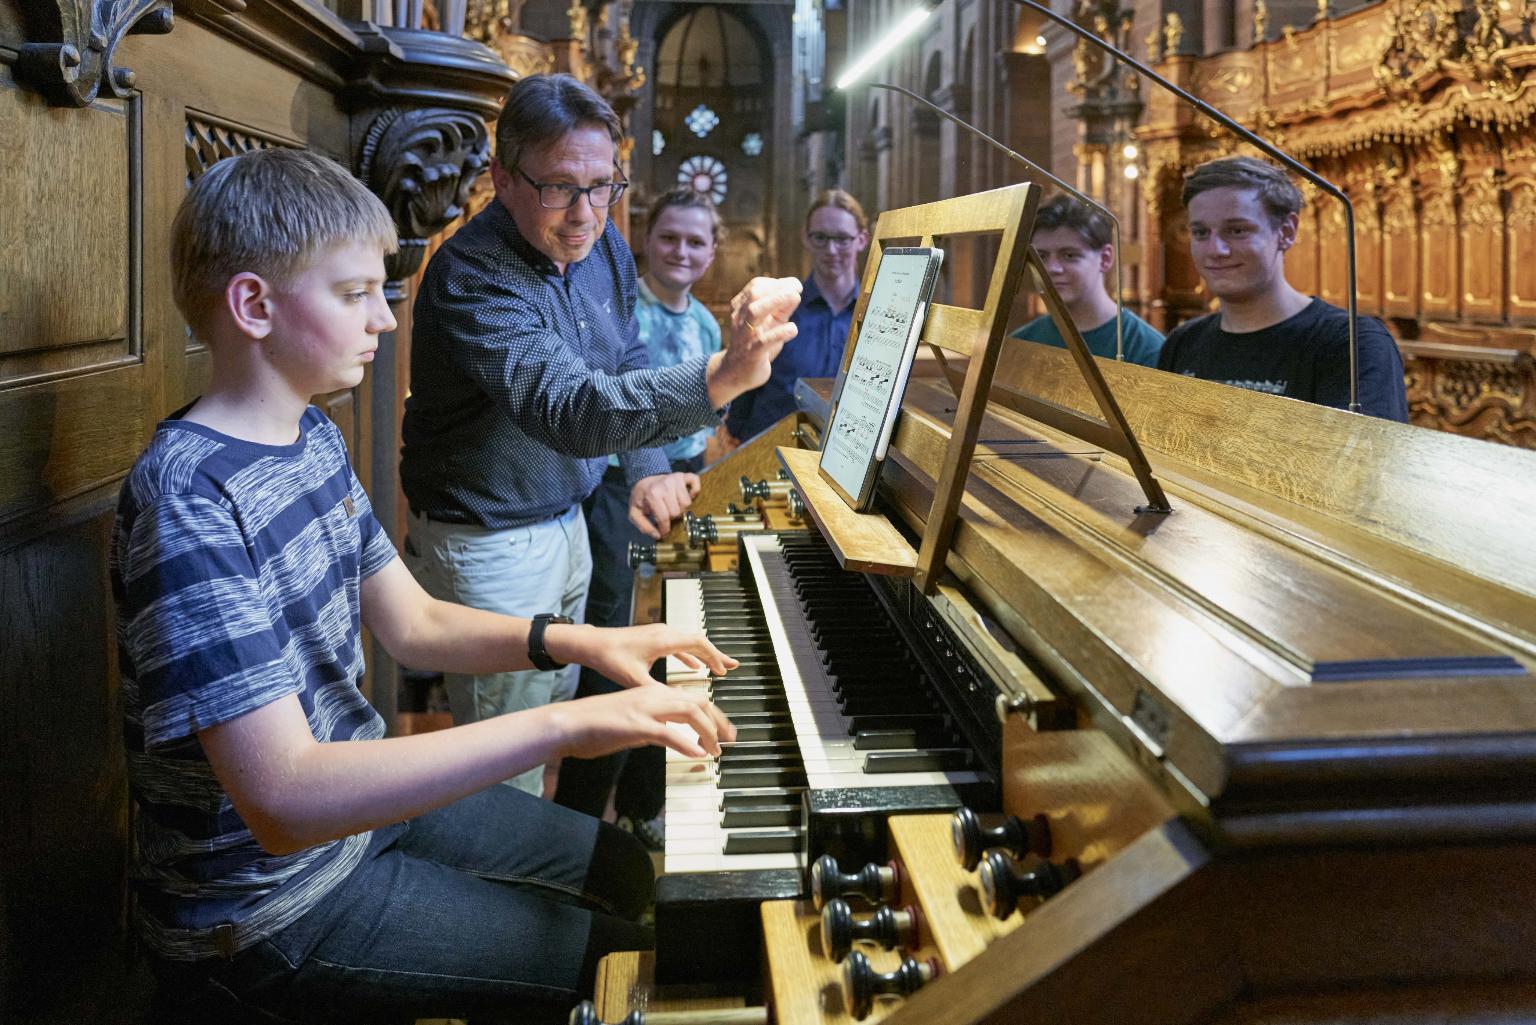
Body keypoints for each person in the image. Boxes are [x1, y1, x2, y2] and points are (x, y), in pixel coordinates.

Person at [114, 147, 745, 1024]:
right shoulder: (188, 497)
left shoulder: (311, 435)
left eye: (383, 289)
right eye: (354, 294)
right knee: (625, 962)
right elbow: (285, 799)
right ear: (253, 304)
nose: (384, 317)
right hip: (265, 908)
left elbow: (406, 619)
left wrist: (581, 642)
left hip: (359, 824)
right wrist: (566, 718)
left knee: (631, 873)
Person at [399, 74, 800, 794]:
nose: (584, 213)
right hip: (490, 541)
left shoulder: (605, 247)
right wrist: (721, 376)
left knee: (550, 717)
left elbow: (621, 358)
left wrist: (646, 467)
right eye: (558, 187)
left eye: (601, 186)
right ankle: (506, 898)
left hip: (570, 519)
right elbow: (573, 408)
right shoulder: (470, 275)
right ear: (501, 178)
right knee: (507, 764)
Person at [554, 188, 725, 844]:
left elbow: (710, 418)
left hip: (684, 492)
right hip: (618, 495)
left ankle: (643, 806)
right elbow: (611, 400)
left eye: (696, 241)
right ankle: (578, 817)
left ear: (712, 251)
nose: (681, 251)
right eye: (670, 238)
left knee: (672, 647)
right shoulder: (625, 313)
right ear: (647, 242)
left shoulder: (706, 326)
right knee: (616, 651)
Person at [1156, 156, 1408, 420]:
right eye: (1201, 233)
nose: (1215, 250)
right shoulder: (1183, 343)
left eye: (1237, 230)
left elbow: (1358, 457)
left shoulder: (1352, 343)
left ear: (1286, 232)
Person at [725, 188, 870, 442]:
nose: (832, 250)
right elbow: (746, 386)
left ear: (862, 240)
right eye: (820, 237)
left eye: (843, 239)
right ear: (806, 238)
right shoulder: (781, 306)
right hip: (770, 449)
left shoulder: (874, 316)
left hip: (841, 452)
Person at [1009, 194, 1163, 366]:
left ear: (1105, 259)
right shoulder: (1019, 343)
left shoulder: (1148, 349)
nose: (1052, 268)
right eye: (1042, 256)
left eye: (1069, 255)